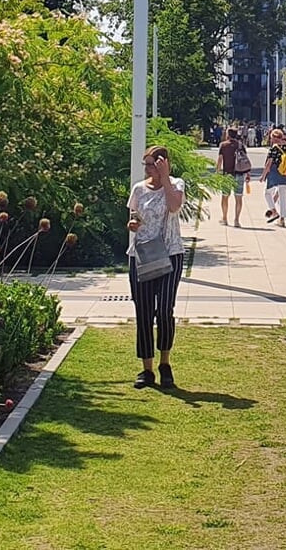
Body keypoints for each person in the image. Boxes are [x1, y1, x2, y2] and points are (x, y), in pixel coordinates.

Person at [127, 145, 186, 389]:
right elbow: (133, 215)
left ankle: (165, 362)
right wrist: (132, 224)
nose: (150, 169)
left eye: (154, 164)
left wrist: (165, 178)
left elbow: (174, 207)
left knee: (163, 310)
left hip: (170, 253)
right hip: (142, 254)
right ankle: (147, 368)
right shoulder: (139, 189)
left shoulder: (176, 184)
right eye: (148, 165)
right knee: (143, 310)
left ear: (164, 163)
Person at [264, 127, 286, 226]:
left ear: (274, 138)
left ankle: (274, 211)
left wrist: (263, 175)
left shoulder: (274, 148)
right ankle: (282, 219)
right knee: (283, 196)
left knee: (267, 193)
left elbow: (269, 163)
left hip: (276, 173)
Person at [216, 127, 249, 226]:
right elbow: (245, 159)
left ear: (228, 134)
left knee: (225, 197)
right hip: (239, 173)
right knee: (238, 198)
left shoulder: (223, 145)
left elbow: (220, 160)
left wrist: (217, 172)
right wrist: (247, 174)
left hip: (227, 174)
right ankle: (236, 220)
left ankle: (225, 218)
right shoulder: (240, 145)